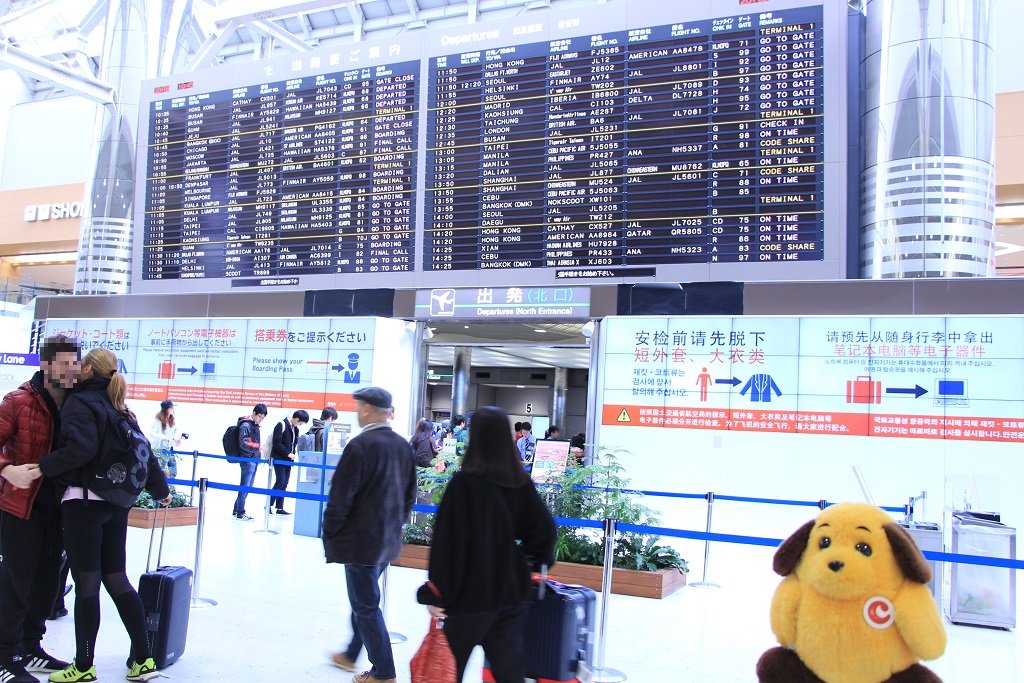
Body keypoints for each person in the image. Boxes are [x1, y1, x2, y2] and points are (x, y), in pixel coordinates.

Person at [37, 348, 170, 683]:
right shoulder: (120, 408)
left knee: (87, 585)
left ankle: (83, 666)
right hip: (116, 504)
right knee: (117, 579)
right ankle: (144, 660)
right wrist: (161, 491)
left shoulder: (80, 403)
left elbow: (80, 450)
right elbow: (147, 456)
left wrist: (42, 467)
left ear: (86, 370)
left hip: (83, 503)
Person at [418, 405, 556, 683]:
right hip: (510, 593)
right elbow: (545, 532)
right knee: (508, 672)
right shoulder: (519, 483)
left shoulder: (464, 484)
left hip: (466, 597)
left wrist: (435, 592)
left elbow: (447, 544)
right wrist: (526, 559)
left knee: (448, 669)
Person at [0, 336, 80, 683]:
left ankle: (30, 648)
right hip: (20, 507)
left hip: (60, 509)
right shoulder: (17, 401)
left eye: (73, 363)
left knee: (47, 585)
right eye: (62, 363)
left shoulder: (80, 403)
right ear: (46, 365)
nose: (69, 370)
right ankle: (5, 657)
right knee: (15, 584)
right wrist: (6, 469)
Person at [323, 387, 415, 683]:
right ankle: (350, 654)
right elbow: (410, 495)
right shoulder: (403, 446)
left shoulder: (360, 445)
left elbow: (340, 497)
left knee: (365, 605)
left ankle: (384, 673)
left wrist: (331, 533)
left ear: (365, 410)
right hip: (386, 540)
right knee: (364, 600)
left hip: (361, 542)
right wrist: (394, 526)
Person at [231, 404, 267, 521]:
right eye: (260, 416)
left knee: (247, 486)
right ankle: (240, 512)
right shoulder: (246, 425)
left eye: (263, 417)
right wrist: (258, 447)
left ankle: (237, 508)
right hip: (247, 459)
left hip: (253, 459)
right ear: (254, 413)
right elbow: (243, 443)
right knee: (245, 486)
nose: (261, 419)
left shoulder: (254, 425)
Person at [269, 409, 309, 515]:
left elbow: (293, 444)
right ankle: (268, 504)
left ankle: (279, 507)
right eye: (300, 422)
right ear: (296, 418)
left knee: (285, 483)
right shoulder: (281, 424)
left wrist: (292, 454)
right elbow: (276, 443)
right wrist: (288, 453)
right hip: (279, 458)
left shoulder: (295, 429)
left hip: (288, 460)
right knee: (280, 481)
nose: (300, 425)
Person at [148, 399, 185, 478]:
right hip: (160, 449)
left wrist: (178, 439)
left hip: (169, 448)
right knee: (162, 471)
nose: (173, 409)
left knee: (173, 472)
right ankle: (164, 487)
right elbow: (152, 433)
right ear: (167, 408)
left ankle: (168, 487)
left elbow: (174, 434)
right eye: (171, 407)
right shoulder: (158, 420)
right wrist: (163, 438)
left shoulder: (172, 420)